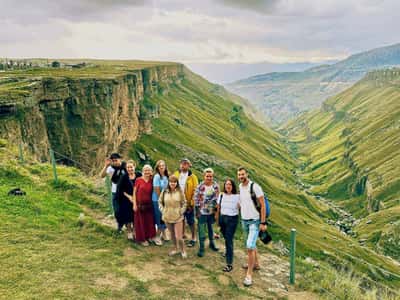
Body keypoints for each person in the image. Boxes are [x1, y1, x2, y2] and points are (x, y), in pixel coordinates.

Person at [237, 167, 267, 287]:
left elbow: (263, 205)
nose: (241, 176)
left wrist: (263, 222)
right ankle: (256, 264)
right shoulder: (240, 186)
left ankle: (249, 275)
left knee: (249, 246)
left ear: (247, 174)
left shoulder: (255, 187)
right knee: (251, 244)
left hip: (254, 221)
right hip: (244, 220)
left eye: (242, 174)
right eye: (239, 175)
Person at [159, 175, 187, 258]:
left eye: (174, 182)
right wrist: (163, 210)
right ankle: (175, 248)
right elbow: (160, 201)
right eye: (171, 182)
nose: (173, 183)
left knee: (179, 236)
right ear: (168, 182)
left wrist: (181, 211)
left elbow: (184, 203)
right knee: (172, 234)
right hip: (167, 216)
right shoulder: (164, 191)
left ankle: (183, 250)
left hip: (178, 217)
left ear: (177, 183)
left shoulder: (180, 191)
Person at [194, 168, 219, 257]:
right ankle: (201, 247)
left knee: (211, 229)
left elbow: (217, 200)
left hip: (211, 212)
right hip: (202, 212)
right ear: (204, 176)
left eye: (211, 176)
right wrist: (197, 211)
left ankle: (212, 243)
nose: (209, 178)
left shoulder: (215, 186)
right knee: (201, 230)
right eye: (207, 176)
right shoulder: (200, 186)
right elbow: (196, 199)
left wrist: (216, 212)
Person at [173, 158, 198, 247]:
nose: (183, 165)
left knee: (191, 221)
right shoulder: (176, 174)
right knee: (180, 219)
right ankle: (182, 235)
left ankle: (194, 237)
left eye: (186, 164)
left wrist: (191, 203)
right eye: (182, 163)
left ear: (189, 166)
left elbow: (196, 191)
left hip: (188, 203)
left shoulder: (193, 177)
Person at [216, 179, 240, 272]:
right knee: (226, 237)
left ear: (233, 186)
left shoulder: (237, 196)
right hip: (222, 218)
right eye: (226, 184)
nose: (228, 186)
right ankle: (228, 251)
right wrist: (218, 220)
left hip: (232, 220)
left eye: (230, 184)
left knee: (229, 240)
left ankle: (229, 264)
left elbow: (241, 207)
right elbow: (218, 208)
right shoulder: (221, 195)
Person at [131, 164, 156, 246]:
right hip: (139, 205)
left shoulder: (153, 180)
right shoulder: (138, 180)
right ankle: (142, 239)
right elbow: (134, 192)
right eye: (145, 170)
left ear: (151, 171)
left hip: (149, 205)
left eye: (148, 170)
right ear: (142, 171)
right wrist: (134, 204)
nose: (147, 172)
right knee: (140, 223)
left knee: (149, 222)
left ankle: (149, 237)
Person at [100, 153, 125, 232]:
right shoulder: (111, 168)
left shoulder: (125, 166)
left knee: (126, 210)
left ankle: (129, 228)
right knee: (117, 210)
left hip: (126, 192)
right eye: (113, 161)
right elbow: (102, 175)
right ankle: (120, 226)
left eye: (116, 160)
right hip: (115, 192)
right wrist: (106, 166)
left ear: (120, 159)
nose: (115, 162)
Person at [118, 160, 142, 240]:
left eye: (131, 167)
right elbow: (120, 189)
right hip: (127, 200)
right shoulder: (124, 177)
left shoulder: (139, 175)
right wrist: (129, 197)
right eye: (128, 167)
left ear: (134, 167)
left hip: (138, 199)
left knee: (136, 215)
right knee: (128, 216)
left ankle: (135, 230)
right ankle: (129, 231)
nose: (129, 169)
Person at [152, 160, 169, 245]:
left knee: (165, 217)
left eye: (163, 165)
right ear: (157, 168)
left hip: (165, 200)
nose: (162, 167)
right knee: (160, 218)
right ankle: (157, 236)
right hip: (157, 200)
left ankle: (164, 234)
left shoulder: (166, 176)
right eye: (160, 166)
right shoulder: (157, 176)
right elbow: (156, 189)